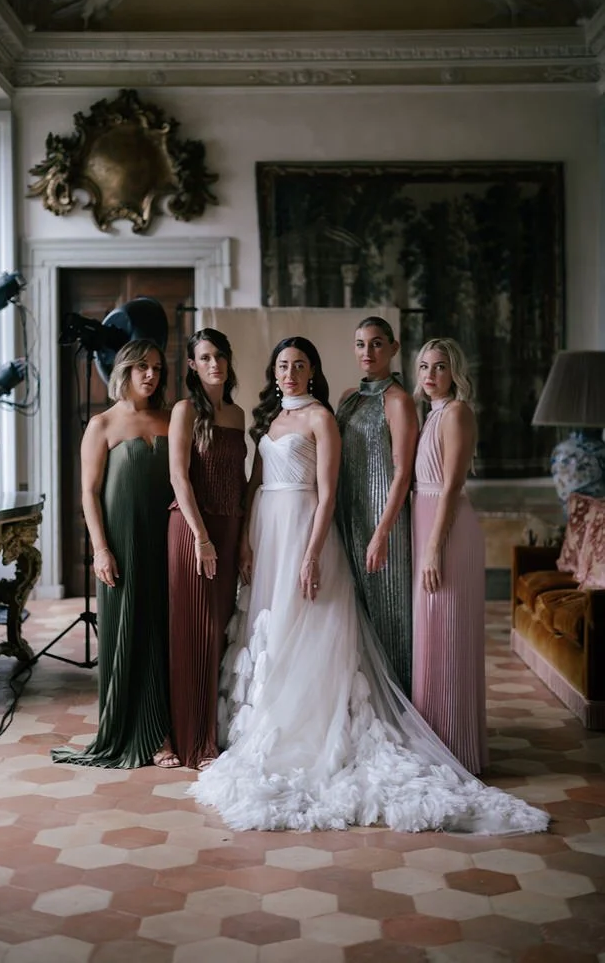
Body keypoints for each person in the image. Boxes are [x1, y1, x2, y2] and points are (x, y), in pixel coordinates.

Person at [189, 336, 548, 835]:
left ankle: (309, 728)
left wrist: (313, 552)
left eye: (299, 365)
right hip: (267, 531)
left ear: (312, 371)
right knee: (264, 622)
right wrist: (247, 542)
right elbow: (254, 482)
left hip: (304, 530)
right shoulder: (270, 419)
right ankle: (258, 719)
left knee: (305, 625)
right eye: (282, 365)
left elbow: (330, 491)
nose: (289, 373)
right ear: (274, 372)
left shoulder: (322, 417)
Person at [52, 339, 173, 769]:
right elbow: (88, 492)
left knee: (164, 630)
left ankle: (163, 732)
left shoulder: (171, 416)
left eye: (157, 368)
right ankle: (129, 728)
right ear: (124, 369)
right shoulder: (102, 424)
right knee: (128, 629)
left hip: (166, 539)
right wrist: (100, 550)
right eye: (142, 367)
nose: (151, 375)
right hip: (122, 542)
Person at [167, 328, 247, 770]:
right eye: (205, 357)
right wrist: (201, 536)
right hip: (192, 529)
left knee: (218, 632)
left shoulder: (236, 414)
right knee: (192, 633)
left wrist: (240, 537)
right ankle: (189, 741)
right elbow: (179, 477)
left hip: (229, 528)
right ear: (193, 366)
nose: (214, 363)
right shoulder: (184, 411)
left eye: (220, 355)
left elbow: (241, 480)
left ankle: (210, 732)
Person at [412, 338, 487, 775]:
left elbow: (453, 487)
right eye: (424, 366)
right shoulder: (432, 416)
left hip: (449, 533)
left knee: (448, 632)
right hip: (429, 527)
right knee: (431, 635)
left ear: (454, 373)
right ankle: (436, 741)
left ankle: (458, 750)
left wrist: (434, 549)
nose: (430, 375)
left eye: (439, 367)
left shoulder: (457, 413)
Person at [336, 316, 418, 696]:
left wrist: (382, 532)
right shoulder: (348, 398)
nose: (367, 352)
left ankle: (400, 707)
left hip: (382, 517)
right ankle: (365, 704)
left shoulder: (398, 401)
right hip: (347, 513)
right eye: (360, 344)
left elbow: (402, 473)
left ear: (393, 348)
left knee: (388, 612)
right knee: (355, 613)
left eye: (376, 344)